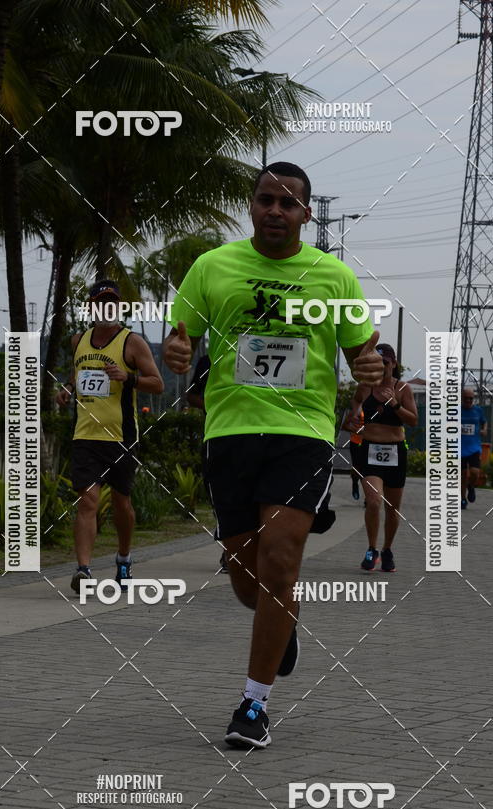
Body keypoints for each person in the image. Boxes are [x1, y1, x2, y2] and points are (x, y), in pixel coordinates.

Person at [163, 161, 384, 748]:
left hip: (303, 433)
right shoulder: (214, 267)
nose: (276, 211)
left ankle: (254, 705)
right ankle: (279, 624)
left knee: (282, 559)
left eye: (289, 204)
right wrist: (179, 350)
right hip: (229, 433)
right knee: (246, 579)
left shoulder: (333, 277)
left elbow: (365, 352)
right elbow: (179, 334)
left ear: (306, 214)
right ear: (252, 206)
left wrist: (367, 371)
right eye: (266, 200)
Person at [56, 280, 164, 594]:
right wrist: (66, 391)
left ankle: (124, 557)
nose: (107, 308)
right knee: (87, 501)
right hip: (85, 435)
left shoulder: (133, 343)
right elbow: (78, 376)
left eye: (112, 303)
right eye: (101, 302)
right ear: (90, 308)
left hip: (121, 436)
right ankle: (84, 570)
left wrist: (127, 377)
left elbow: (156, 383)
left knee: (122, 503)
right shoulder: (78, 340)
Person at [347, 343, 417, 573]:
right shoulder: (366, 386)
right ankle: (371, 549)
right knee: (374, 501)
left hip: (395, 451)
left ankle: (387, 550)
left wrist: (395, 405)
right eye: (377, 363)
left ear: (393, 364)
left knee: (392, 509)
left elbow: (413, 420)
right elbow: (356, 402)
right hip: (370, 450)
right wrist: (356, 416)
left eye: (385, 363)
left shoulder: (403, 388)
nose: (382, 367)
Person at [186, 354, 228, 573]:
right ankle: (231, 547)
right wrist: (214, 407)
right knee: (221, 493)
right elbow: (191, 395)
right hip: (219, 433)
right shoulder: (210, 359)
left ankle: (238, 550)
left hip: (264, 432)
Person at [460, 387, 487, 509]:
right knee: (463, 474)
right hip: (459, 447)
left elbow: (484, 422)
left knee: (475, 473)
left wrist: (484, 430)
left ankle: (471, 487)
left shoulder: (478, 410)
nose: (469, 401)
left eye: (471, 398)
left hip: (474, 446)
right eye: (466, 398)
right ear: (462, 398)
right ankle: (462, 499)